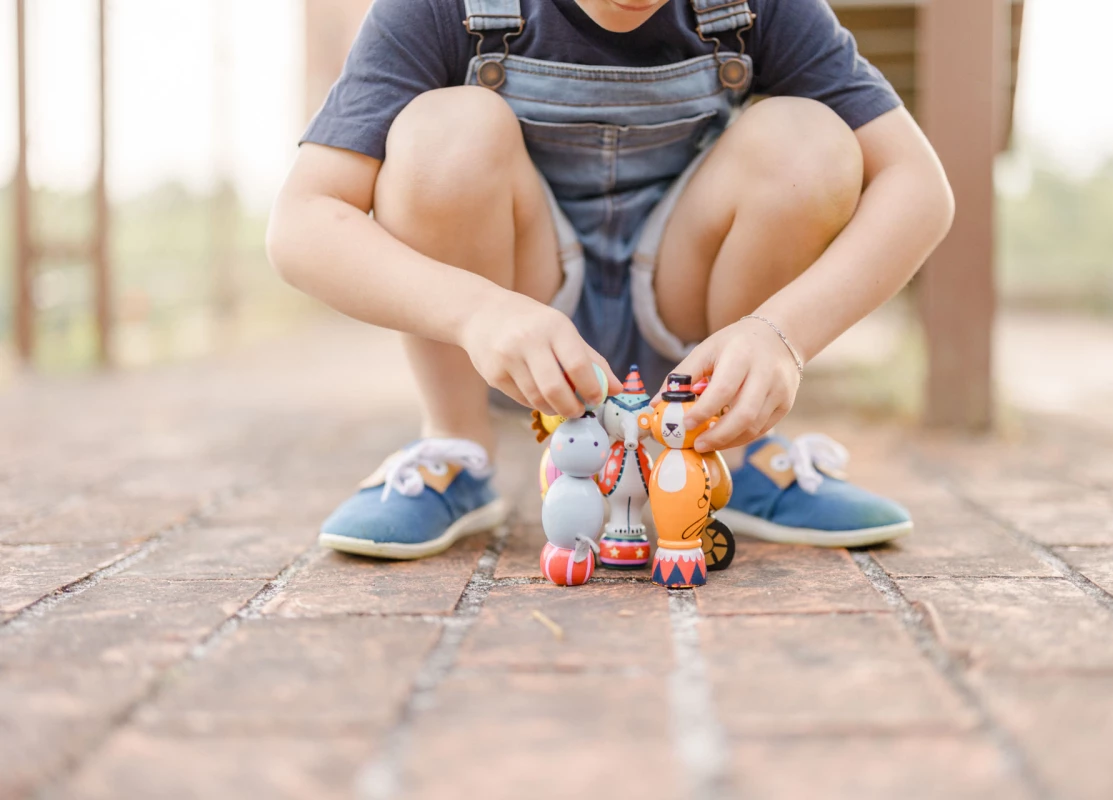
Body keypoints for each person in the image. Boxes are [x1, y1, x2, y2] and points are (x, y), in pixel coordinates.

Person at [266, 0, 954, 560]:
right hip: (518, 325)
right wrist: (478, 313)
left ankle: (732, 458)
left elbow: (919, 188)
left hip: (689, 323)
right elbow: (302, 222)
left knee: (810, 139)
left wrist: (783, 336)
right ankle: (456, 448)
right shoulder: (441, 8)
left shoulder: (756, 7)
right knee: (443, 128)